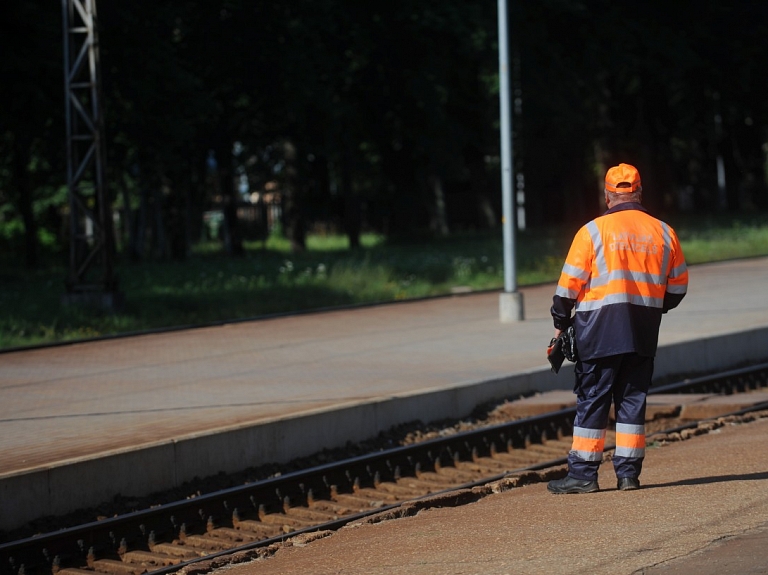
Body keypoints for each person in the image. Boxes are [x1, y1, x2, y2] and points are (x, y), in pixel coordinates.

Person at [547, 163, 688, 494]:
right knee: (632, 401)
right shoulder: (664, 232)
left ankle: (582, 474)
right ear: (639, 192)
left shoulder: (592, 231)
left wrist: (560, 323)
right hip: (643, 332)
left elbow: (568, 287)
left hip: (599, 332)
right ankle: (628, 475)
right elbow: (678, 287)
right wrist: (655, 307)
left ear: (608, 195)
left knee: (593, 399)